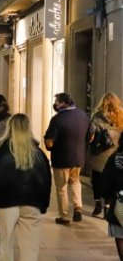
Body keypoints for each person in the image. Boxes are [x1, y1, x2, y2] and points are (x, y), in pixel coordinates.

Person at [0, 114, 51, 261]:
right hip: (32, 204)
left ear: (10, 128)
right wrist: (43, 205)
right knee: (30, 249)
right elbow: (46, 181)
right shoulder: (38, 154)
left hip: (6, 203)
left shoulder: (1, 152)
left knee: (6, 245)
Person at [44, 93, 90, 225]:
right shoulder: (83, 116)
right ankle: (78, 207)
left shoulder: (57, 119)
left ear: (63, 103)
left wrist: (50, 147)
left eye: (57, 102)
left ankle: (64, 216)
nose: (55, 105)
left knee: (61, 188)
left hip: (61, 159)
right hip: (78, 158)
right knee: (75, 182)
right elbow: (90, 136)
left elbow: (49, 141)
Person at [88, 92, 123, 217]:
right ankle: (107, 206)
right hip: (114, 153)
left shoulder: (96, 116)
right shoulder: (121, 116)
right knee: (111, 180)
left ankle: (97, 204)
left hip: (98, 153)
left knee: (96, 179)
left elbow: (90, 136)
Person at [100, 134, 123, 259]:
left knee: (120, 236)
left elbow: (105, 183)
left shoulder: (114, 159)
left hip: (120, 204)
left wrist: (107, 199)